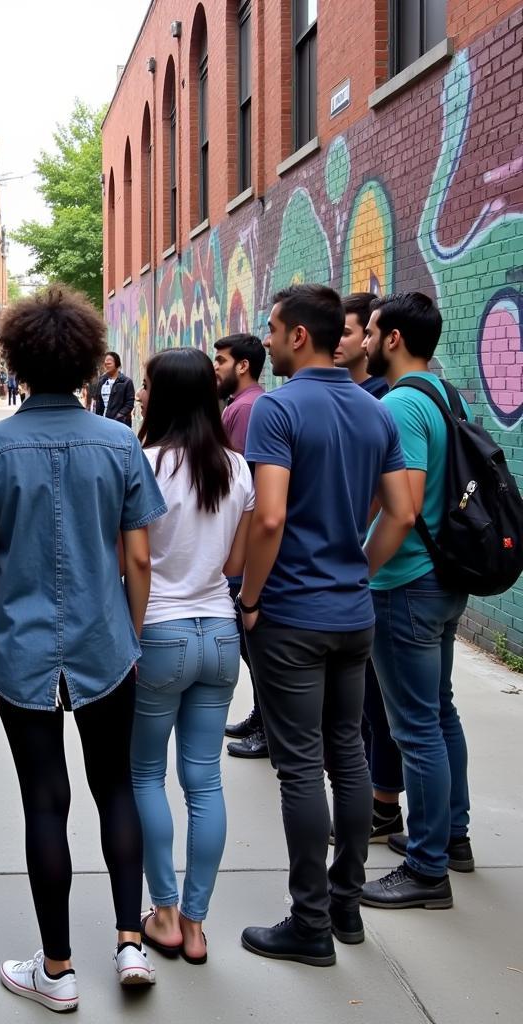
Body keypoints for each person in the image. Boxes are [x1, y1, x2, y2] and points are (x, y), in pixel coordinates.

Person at [0, 287, 166, 1013]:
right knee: (117, 789)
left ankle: (59, 969)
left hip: (19, 647)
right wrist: (131, 634)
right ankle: (130, 942)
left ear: (14, 361)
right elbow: (139, 559)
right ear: (86, 362)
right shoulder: (121, 443)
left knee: (45, 799)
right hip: (107, 645)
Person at [237, 284, 416, 966]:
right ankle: (345, 905)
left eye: (275, 330)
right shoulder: (376, 414)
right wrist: (360, 572)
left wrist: (251, 597)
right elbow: (400, 512)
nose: (271, 341)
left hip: (290, 616)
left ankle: (308, 922)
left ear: (298, 337)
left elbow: (270, 517)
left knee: (300, 768)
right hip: (351, 613)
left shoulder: (277, 411)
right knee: (349, 753)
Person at [130, 348, 254, 966]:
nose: (141, 392)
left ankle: (166, 913)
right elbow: (236, 562)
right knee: (204, 781)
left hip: (160, 635)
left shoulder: (143, 463)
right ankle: (199, 925)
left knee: (146, 775)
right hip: (220, 636)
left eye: (148, 384)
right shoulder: (236, 468)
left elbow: (131, 562)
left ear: (167, 395)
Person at [360, 292, 474, 910]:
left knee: (415, 728)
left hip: (405, 583)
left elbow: (401, 511)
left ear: (395, 338)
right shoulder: (444, 393)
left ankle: (428, 870)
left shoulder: (401, 405)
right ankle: (452, 836)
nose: (368, 340)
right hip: (444, 580)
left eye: (374, 330)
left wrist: (362, 571)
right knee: (441, 712)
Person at [338, 292, 404, 843]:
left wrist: (360, 561)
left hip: (379, 576)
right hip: (370, 577)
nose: (344, 339)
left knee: (382, 710)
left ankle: (383, 811)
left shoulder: (382, 404)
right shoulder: (363, 398)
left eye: (352, 330)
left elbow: (391, 504)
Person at [213, 334, 269, 760]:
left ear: (243, 366)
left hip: (245, 550)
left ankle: (270, 726)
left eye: (222, 360)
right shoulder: (240, 406)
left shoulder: (247, 410)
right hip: (241, 547)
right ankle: (262, 715)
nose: (216, 367)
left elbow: (247, 488)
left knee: (255, 646)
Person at [337, 293, 390, 398]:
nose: (334, 340)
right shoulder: (329, 389)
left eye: (345, 333)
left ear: (368, 335)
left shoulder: (384, 393)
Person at [91, 351, 135, 424]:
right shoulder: (102, 381)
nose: (106, 366)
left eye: (109, 364)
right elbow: (99, 402)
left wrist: (119, 416)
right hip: (103, 422)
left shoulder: (126, 382)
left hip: (120, 424)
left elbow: (129, 403)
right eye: (105, 364)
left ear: (117, 364)